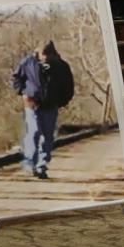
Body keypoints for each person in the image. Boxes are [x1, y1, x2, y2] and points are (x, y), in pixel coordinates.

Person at [11, 41, 75, 179]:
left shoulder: (61, 66)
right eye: (43, 54)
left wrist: (62, 101)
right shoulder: (28, 62)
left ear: (53, 54)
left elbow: (69, 85)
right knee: (33, 133)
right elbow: (17, 78)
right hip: (32, 104)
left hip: (51, 106)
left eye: (48, 55)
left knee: (47, 137)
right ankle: (30, 162)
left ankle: (41, 166)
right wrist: (23, 93)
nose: (45, 57)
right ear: (38, 53)